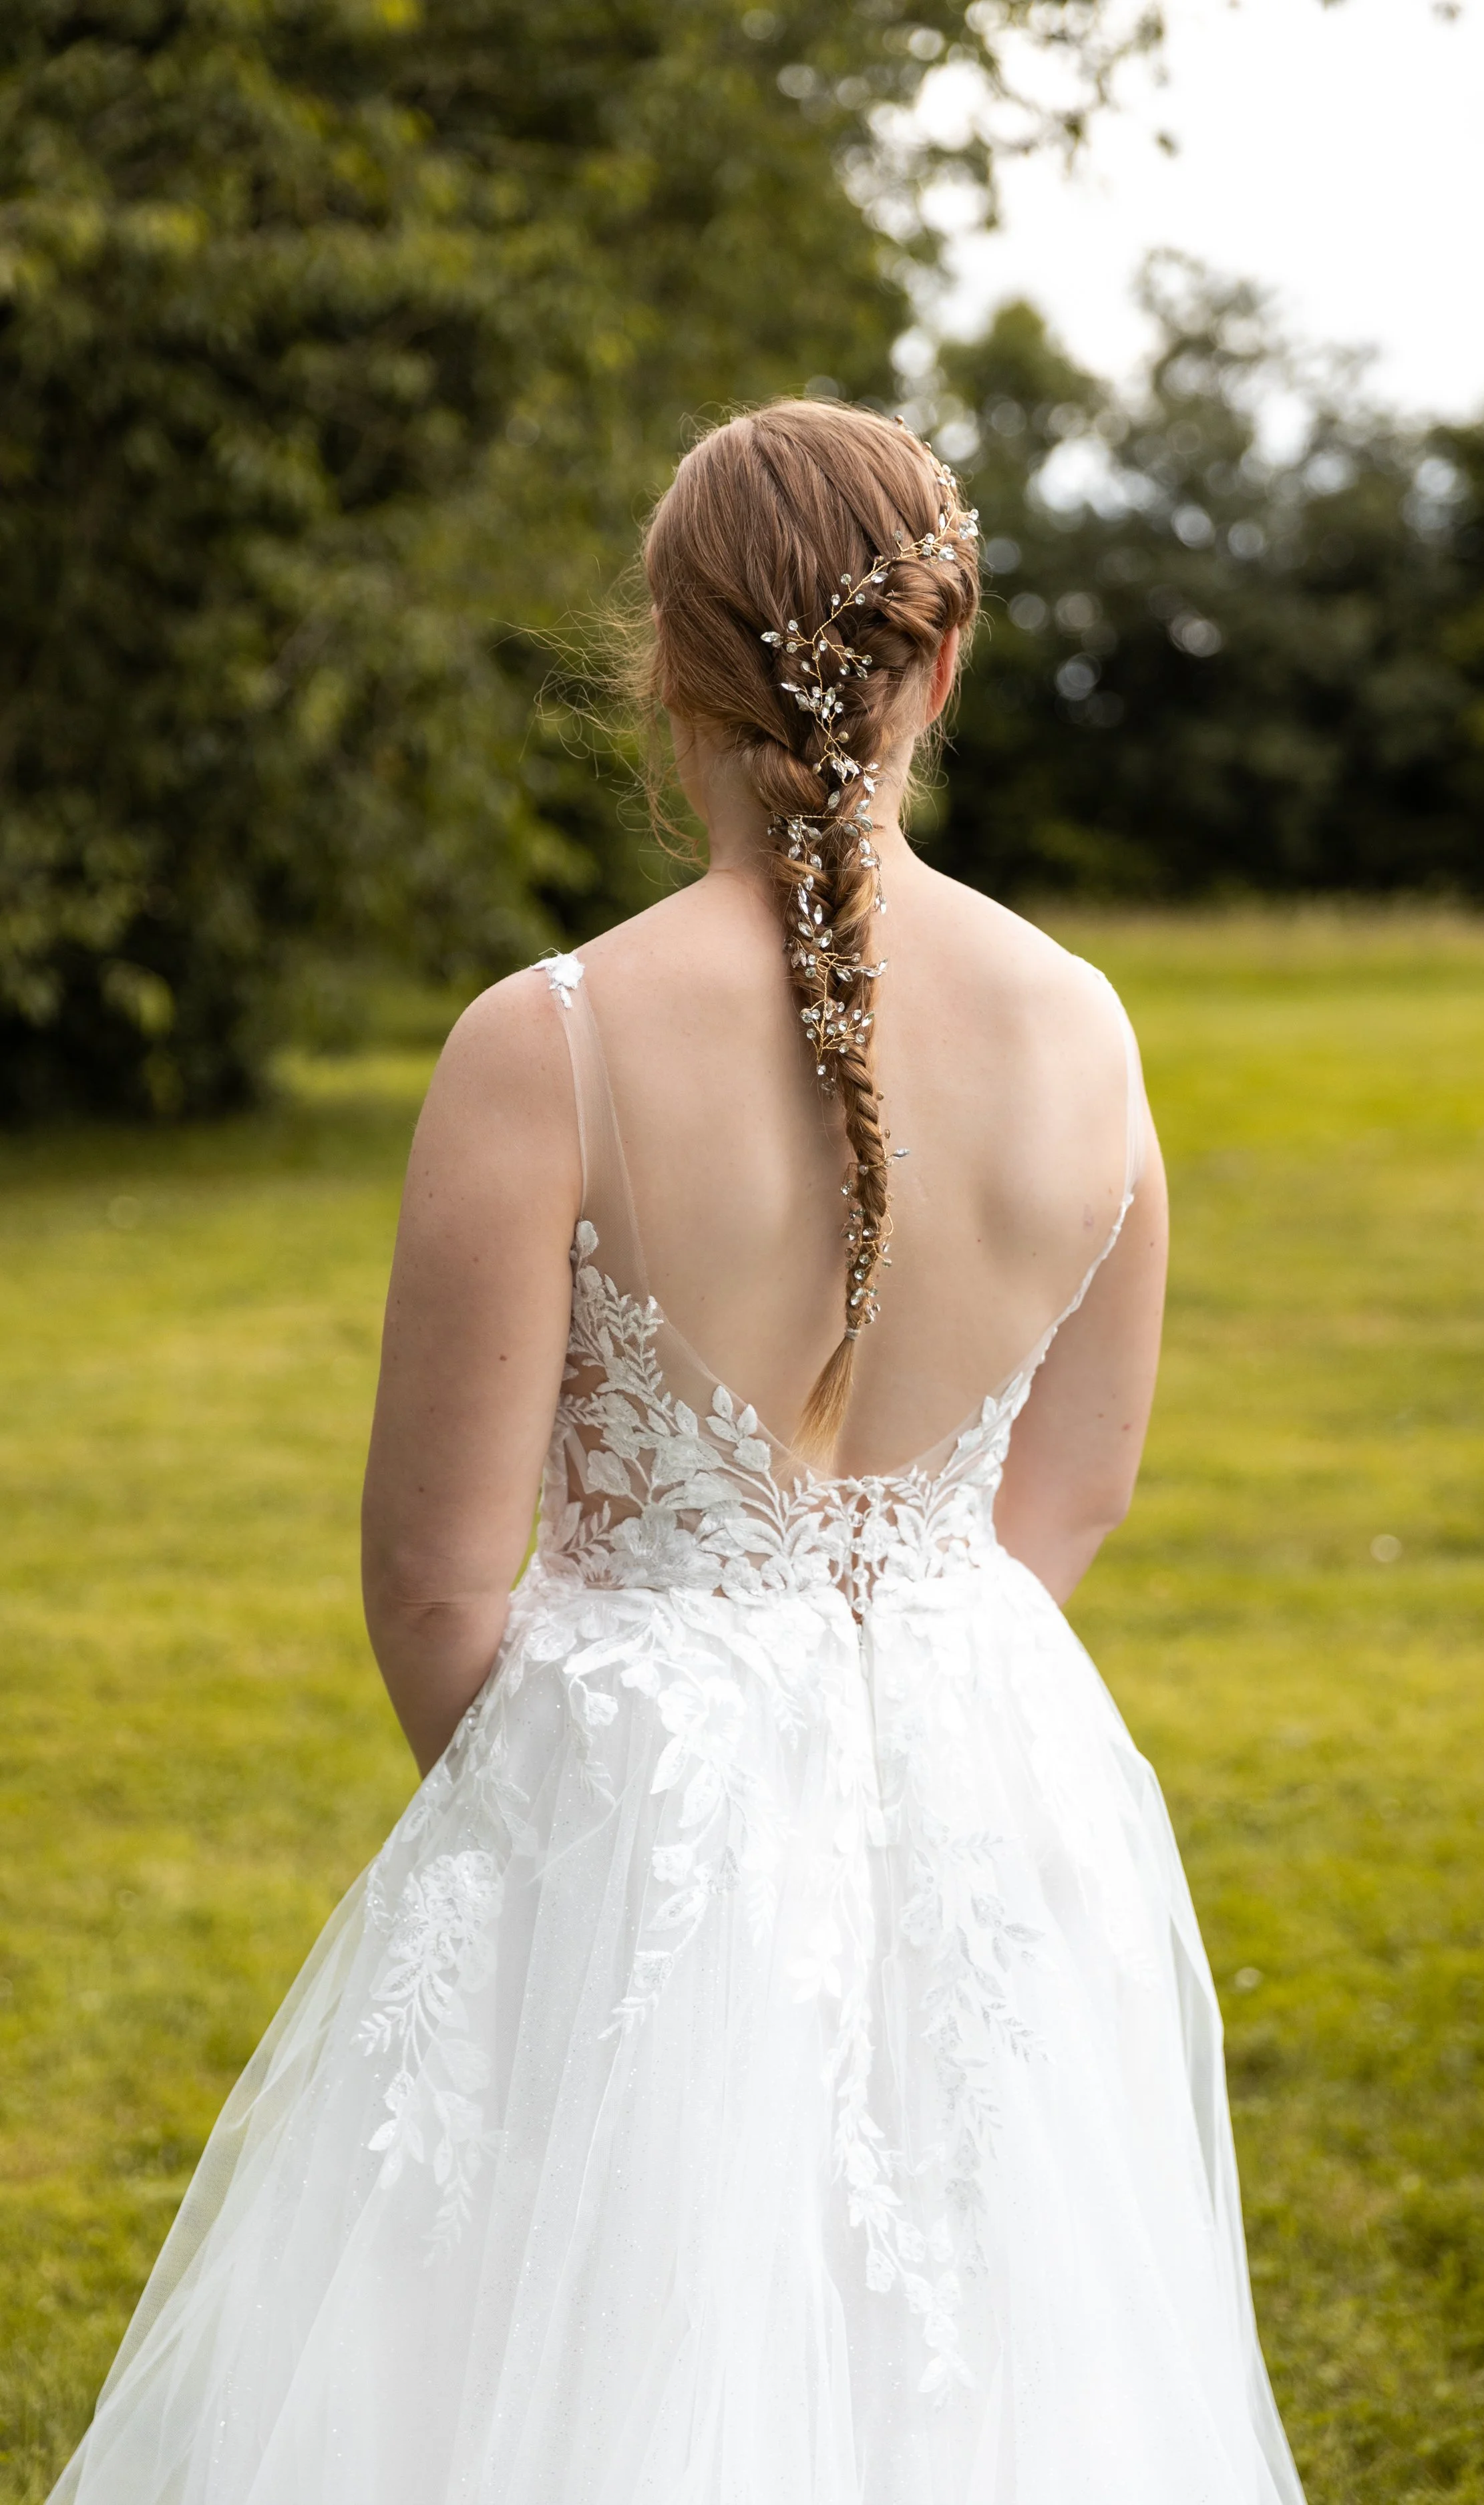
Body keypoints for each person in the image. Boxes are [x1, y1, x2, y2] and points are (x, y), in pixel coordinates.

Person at [48, 401, 1306, 2504]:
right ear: (938, 658)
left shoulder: (547, 1040)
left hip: (635, 1800)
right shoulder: (1087, 1021)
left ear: (668, 663)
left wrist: (591, 1829)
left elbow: (438, 1578)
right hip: (1000, 1773)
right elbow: (1068, 1491)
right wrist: (896, 1684)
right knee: (990, 2357)